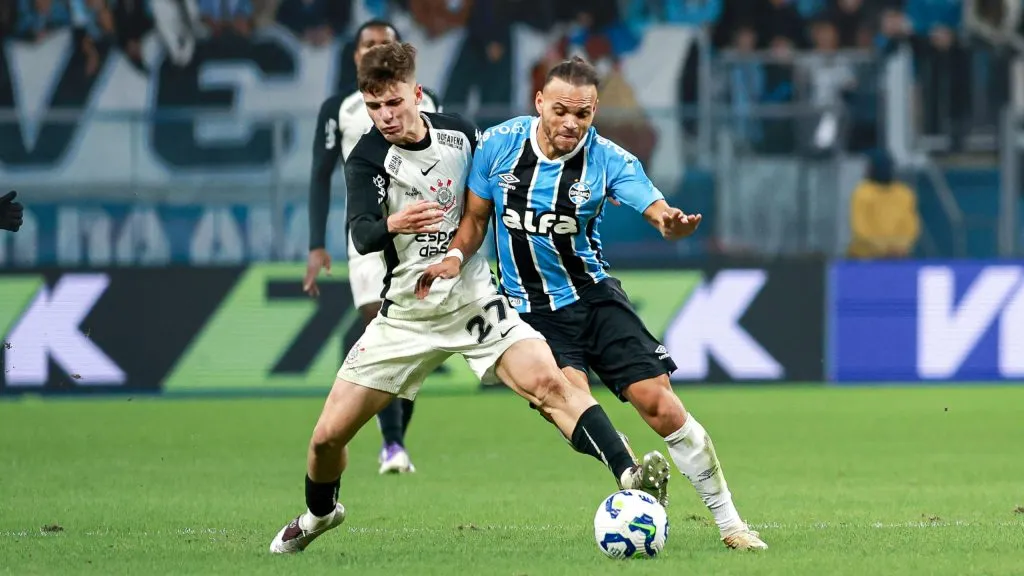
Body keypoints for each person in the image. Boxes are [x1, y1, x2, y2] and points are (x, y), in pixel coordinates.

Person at [270, 42, 670, 555]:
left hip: (473, 297)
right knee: (326, 439)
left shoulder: (460, 134)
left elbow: (493, 191)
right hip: (408, 315)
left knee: (549, 384)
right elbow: (364, 234)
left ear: (418, 95)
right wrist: (394, 222)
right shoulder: (368, 156)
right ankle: (319, 515)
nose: (385, 117)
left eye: (393, 103)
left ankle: (630, 475)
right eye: (373, 107)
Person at [416, 56, 768, 551]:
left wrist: (670, 222)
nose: (570, 123)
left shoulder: (610, 160)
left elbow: (656, 208)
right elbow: (475, 219)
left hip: (595, 297)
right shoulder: (496, 146)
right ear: (539, 102)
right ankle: (631, 475)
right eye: (560, 110)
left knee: (660, 405)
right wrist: (455, 256)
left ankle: (731, 524)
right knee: (569, 402)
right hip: (531, 313)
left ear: (595, 111)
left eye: (582, 114)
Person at [305, 19, 442, 475]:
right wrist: (314, 244)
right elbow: (320, 174)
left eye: (383, 44)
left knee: (407, 340)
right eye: (367, 45)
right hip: (367, 235)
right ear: (354, 54)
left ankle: (394, 439)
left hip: (421, 235)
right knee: (376, 320)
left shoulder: (427, 103)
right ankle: (393, 443)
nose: (374, 51)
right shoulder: (339, 109)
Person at [846, 149, 921, 259]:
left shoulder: (904, 193)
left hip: (898, 256)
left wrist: (900, 246)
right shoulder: (862, 192)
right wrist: (883, 248)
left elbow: (911, 227)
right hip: (865, 257)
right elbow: (860, 229)